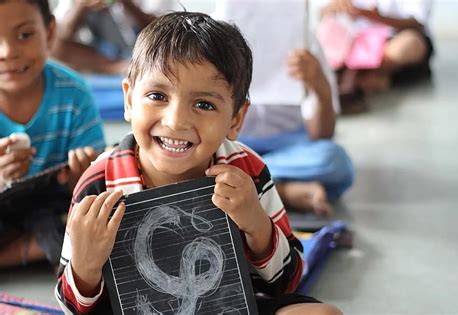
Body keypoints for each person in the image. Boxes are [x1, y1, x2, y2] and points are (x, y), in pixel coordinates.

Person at [55, 12, 342, 315]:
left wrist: (256, 224)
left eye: (204, 104)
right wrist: (85, 268)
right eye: (157, 95)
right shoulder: (99, 184)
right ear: (129, 101)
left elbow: (287, 282)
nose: (177, 121)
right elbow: (70, 305)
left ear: (236, 119)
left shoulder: (247, 171)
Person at [214, 0, 354, 217]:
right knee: (197, 159)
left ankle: (253, 181)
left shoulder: (306, 44)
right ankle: (282, 190)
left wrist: (320, 87)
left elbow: (322, 134)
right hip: (232, 145)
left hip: (291, 146)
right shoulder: (213, 42)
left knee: (333, 159)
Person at [0, 0, 106, 268]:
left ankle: (21, 249)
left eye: (25, 35)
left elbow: (99, 182)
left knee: (88, 230)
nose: (8, 51)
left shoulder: (74, 94)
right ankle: (26, 249)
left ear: (49, 33)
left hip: (51, 208)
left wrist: (79, 179)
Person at [320, 0, 434, 96]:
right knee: (326, 32)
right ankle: (365, 79)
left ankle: (356, 78)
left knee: (410, 43)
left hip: (392, 42)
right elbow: (323, 14)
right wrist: (334, 8)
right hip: (357, 43)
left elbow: (418, 23)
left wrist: (376, 17)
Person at [51, 0, 179, 74]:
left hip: (146, 48)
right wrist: (81, 6)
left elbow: (163, 30)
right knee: (53, 46)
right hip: (102, 53)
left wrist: (126, 3)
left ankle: (132, 64)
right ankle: (119, 67)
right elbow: (62, 34)